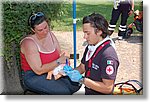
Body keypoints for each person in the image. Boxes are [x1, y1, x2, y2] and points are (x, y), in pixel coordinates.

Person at [20, 12, 81, 95]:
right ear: (33, 30)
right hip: (33, 76)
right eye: (40, 30)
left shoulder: (51, 35)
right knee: (63, 92)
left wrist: (67, 56)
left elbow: (59, 54)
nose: (45, 31)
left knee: (77, 83)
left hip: (52, 70)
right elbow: (39, 70)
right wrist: (59, 61)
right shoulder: (29, 43)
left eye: (46, 27)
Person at [63, 13, 119, 95]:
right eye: (84, 33)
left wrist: (82, 80)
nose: (84, 37)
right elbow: (82, 67)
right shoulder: (91, 47)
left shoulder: (108, 55)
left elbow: (108, 88)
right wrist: (69, 72)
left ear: (99, 31)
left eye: (87, 33)